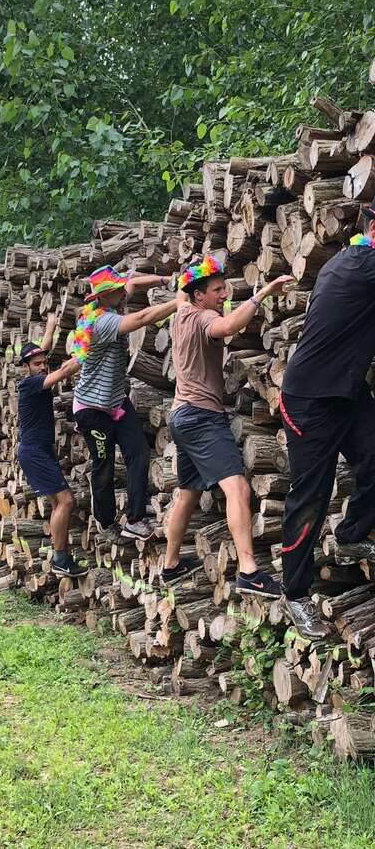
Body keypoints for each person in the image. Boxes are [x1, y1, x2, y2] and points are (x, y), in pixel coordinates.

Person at [162, 255, 291, 594]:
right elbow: (227, 327)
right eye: (217, 290)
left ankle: (170, 565)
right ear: (199, 295)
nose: (224, 295)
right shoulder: (204, 317)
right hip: (202, 417)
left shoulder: (181, 310)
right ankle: (249, 571)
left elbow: (179, 290)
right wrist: (261, 295)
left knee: (188, 493)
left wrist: (190, 267)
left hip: (180, 416)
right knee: (238, 488)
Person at [279, 203, 375, 638]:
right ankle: (294, 593)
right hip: (309, 400)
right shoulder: (361, 265)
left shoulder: (351, 259)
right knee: (310, 498)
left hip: (347, 392)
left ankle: (352, 534)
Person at [72, 265, 179, 543]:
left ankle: (135, 519)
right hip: (92, 410)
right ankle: (106, 523)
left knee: (139, 453)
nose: (123, 291)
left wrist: (165, 279)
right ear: (104, 296)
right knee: (104, 465)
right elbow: (142, 317)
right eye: (117, 289)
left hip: (117, 402)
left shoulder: (114, 300)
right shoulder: (100, 322)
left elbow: (132, 283)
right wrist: (179, 301)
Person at [17, 313, 85, 577]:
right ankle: (60, 559)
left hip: (41, 450)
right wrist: (86, 349)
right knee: (65, 501)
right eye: (37, 364)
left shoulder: (37, 368)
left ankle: (62, 558)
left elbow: (43, 347)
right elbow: (64, 372)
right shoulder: (30, 384)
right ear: (27, 366)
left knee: (60, 503)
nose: (43, 366)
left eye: (44, 363)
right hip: (33, 452)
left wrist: (52, 323)